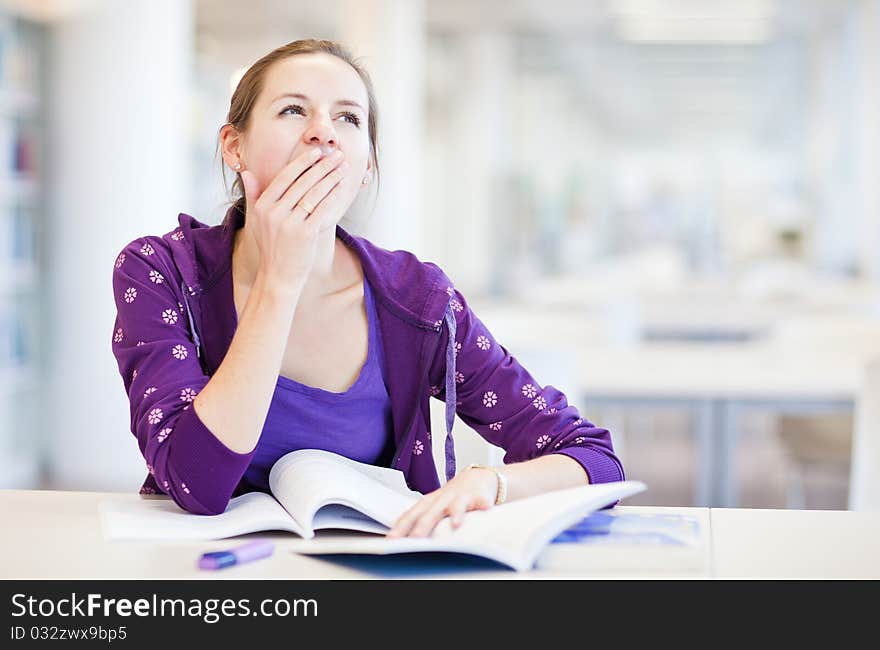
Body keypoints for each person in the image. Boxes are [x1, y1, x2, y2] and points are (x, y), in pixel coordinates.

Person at [110, 39, 624, 538]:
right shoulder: (162, 273)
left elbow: (595, 461)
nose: (323, 133)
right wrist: (280, 282)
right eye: (293, 110)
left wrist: (493, 482)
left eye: (348, 118)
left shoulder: (418, 300)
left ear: (366, 166)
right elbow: (196, 483)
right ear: (234, 146)